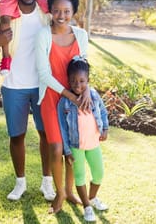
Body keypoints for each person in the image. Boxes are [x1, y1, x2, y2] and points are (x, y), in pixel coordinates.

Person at [0, 0, 55, 202]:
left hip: (42, 85)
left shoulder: (46, 13)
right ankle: (20, 183)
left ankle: (47, 183)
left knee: (46, 135)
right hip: (13, 84)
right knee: (17, 136)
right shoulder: (2, 13)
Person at [35, 0, 92, 214]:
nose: (61, 16)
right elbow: (43, 74)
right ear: (50, 11)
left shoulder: (81, 35)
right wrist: (70, 95)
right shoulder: (43, 35)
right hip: (51, 98)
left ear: (73, 12)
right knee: (57, 148)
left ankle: (69, 191)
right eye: (57, 11)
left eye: (67, 11)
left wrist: (85, 92)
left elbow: (84, 68)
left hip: (75, 101)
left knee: (74, 149)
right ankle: (59, 193)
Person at [58, 56, 109, 222]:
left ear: (88, 80)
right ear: (68, 80)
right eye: (73, 81)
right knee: (79, 176)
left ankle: (92, 198)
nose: (77, 85)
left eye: (81, 81)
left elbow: (102, 111)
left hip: (93, 143)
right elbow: (63, 128)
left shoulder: (93, 95)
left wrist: (106, 128)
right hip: (75, 146)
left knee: (99, 173)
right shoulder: (64, 103)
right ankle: (86, 206)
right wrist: (66, 151)